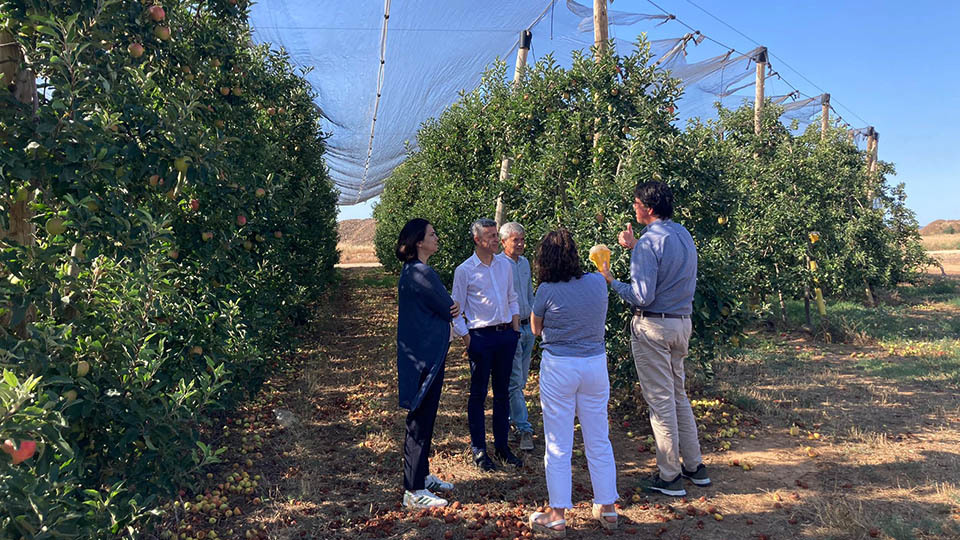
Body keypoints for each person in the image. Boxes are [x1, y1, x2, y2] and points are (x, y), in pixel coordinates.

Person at [599, 181, 710, 498]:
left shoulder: (650, 243)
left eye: (635, 203)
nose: (633, 208)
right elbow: (668, 269)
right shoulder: (681, 235)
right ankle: (694, 467)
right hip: (680, 324)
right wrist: (636, 248)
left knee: (661, 404)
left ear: (646, 208)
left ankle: (670, 476)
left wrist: (611, 280)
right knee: (678, 396)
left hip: (654, 328)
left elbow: (642, 296)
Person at [528, 229, 619, 535]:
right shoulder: (596, 282)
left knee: (558, 443)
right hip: (594, 364)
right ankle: (608, 508)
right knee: (598, 438)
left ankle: (556, 515)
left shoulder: (545, 291)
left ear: (545, 260)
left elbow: (536, 330)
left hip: (560, 367)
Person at [395, 219, 461, 508]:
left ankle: (421, 475)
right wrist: (450, 307)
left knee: (424, 416)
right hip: (424, 356)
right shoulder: (422, 272)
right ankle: (414, 490)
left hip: (423, 352)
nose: (436, 237)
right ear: (418, 242)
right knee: (420, 419)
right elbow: (449, 306)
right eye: (432, 234)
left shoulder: (412, 271)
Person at [452, 218, 524, 471]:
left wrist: (515, 328)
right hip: (481, 338)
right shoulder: (465, 270)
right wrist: (467, 337)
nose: (496, 239)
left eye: (496, 235)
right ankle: (479, 450)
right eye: (491, 236)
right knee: (479, 394)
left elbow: (512, 297)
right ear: (477, 240)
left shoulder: (504, 266)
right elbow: (455, 308)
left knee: (503, 392)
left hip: (505, 336)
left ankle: (503, 447)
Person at [498, 222, 536, 451]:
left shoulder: (524, 263)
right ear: (503, 242)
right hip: (510, 328)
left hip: (526, 326)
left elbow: (529, 293)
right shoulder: (499, 266)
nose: (521, 244)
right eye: (516, 240)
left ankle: (511, 421)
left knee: (520, 380)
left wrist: (533, 322)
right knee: (514, 381)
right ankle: (524, 428)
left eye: (522, 239)